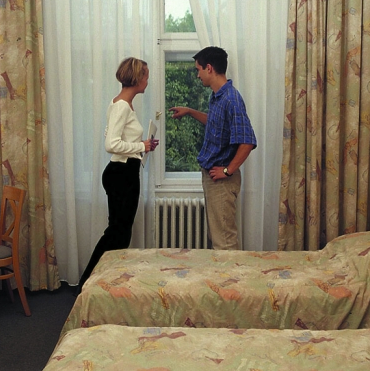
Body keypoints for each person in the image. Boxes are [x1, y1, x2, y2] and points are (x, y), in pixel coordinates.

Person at [77, 57, 159, 292]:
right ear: (137, 78)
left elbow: (118, 139)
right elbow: (111, 144)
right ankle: (88, 284)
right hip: (122, 174)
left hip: (124, 172)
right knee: (117, 233)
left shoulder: (121, 104)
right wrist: (141, 146)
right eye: (146, 76)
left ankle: (100, 285)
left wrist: (142, 147)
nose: (147, 81)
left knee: (119, 233)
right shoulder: (122, 105)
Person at [170, 46, 256, 250]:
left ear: (209, 68)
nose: (197, 75)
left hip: (222, 181)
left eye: (198, 69)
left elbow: (247, 141)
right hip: (213, 177)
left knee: (224, 241)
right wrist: (190, 111)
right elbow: (215, 123)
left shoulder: (231, 99)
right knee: (217, 235)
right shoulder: (217, 97)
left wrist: (227, 171)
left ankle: (230, 273)